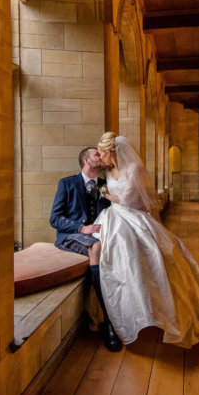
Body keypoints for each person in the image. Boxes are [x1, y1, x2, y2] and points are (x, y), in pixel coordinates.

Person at [91, 132, 199, 348]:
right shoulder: (109, 170)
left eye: (101, 153)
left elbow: (128, 199)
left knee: (150, 255)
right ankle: (132, 312)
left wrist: (105, 194)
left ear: (110, 152)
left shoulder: (134, 169)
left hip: (132, 215)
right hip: (114, 216)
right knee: (114, 252)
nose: (100, 157)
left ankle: (160, 312)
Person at [49, 146, 121, 351]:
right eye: (97, 154)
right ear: (87, 161)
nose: (101, 156)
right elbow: (54, 219)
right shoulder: (67, 183)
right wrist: (81, 227)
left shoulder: (106, 185)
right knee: (97, 247)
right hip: (72, 236)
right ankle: (109, 322)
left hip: (101, 235)